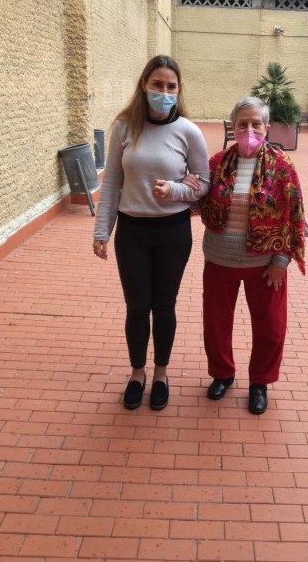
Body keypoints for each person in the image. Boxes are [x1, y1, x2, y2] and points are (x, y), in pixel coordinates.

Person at [93, 55, 209, 411]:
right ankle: (137, 372)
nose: (164, 91)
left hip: (173, 233)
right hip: (132, 232)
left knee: (164, 305)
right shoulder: (125, 127)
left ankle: (160, 373)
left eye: (171, 86)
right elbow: (112, 182)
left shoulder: (188, 131)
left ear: (178, 90)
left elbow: (203, 184)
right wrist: (102, 230)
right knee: (137, 306)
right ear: (144, 84)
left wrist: (174, 191)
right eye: (158, 84)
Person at [198, 96, 305, 415]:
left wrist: (282, 260)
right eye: (242, 124)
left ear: (266, 127)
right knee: (216, 323)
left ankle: (260, 382)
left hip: (266, 264)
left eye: (256, 124)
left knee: (271, 327)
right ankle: (222, 374)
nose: (249, 130)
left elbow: (294, 214)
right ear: (233, 127)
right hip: (220, 258)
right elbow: (200, 203)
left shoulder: (282, 166)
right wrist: (186, 188)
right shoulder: (217, 163)